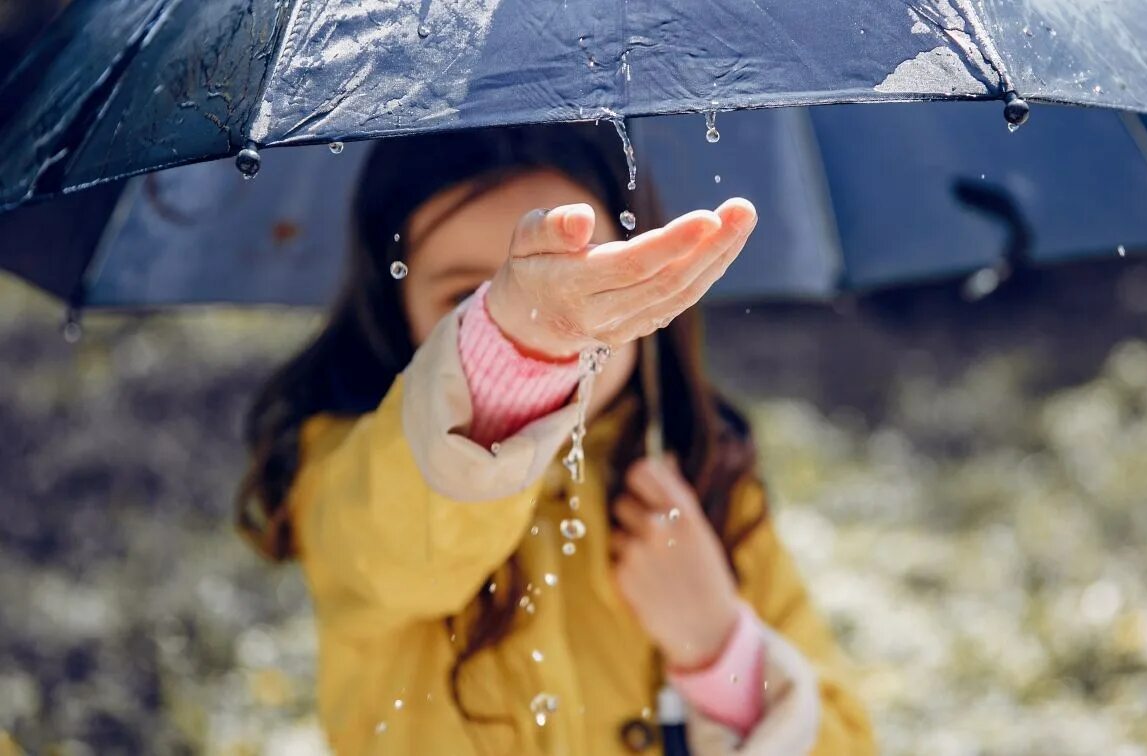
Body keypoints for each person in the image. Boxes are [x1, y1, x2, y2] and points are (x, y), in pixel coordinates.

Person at [237, 122, 874, 755]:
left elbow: (847, 744)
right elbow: (394, 549)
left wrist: (717, 646)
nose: (547, 323)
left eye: (582, 277)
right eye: (471, 299)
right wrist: (507, 353)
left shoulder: (707, 482)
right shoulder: (350, 471)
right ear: (394, 307)